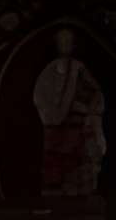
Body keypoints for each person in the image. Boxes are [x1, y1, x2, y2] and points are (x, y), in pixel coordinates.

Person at [31, 25, 110, 198]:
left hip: (77, 128)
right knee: (55, 167)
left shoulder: (78, 68)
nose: (65, 44)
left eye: (69, 41)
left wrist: (85, 109)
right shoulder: (49, 70)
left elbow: (95, 93)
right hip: (54, 129)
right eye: (62, 41)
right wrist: (53, 113)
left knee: (78, 166)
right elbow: (40, 96)